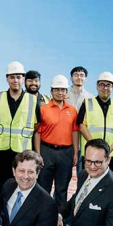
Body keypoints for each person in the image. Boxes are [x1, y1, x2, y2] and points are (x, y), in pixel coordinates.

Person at [0, 61, 38, 204]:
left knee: (22, 186)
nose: (15, 80)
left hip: (22, 151)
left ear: (23, 79)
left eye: (18, 77)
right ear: (7, 78)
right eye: (12, 77)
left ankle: (18, 219)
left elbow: (37, 125)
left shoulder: (33, 100)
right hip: (1, 149)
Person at [34, 75, 79, 214]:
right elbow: (37, 133)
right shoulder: (43, 109)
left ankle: (59, 218)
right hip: (46, 151)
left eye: (63, 90)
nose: (60, 93)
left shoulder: (72, 110)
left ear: (67, 92)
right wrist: (38, 154)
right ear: (51, 91)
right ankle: (42, 217)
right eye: (57, 90)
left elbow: (75, 132)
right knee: (43, 186)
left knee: (62, 188)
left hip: (66, 152)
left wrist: (76, 152)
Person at [78, 72, 113, 173]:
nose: (105, 88)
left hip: (111, 153)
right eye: (101, 85)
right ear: (96, 86)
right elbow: (82, 126)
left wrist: (110, 148)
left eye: (108, 85)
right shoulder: (87, 103)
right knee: (87, 180)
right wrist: (95, 146)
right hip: (90, 152)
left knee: (107, 182)